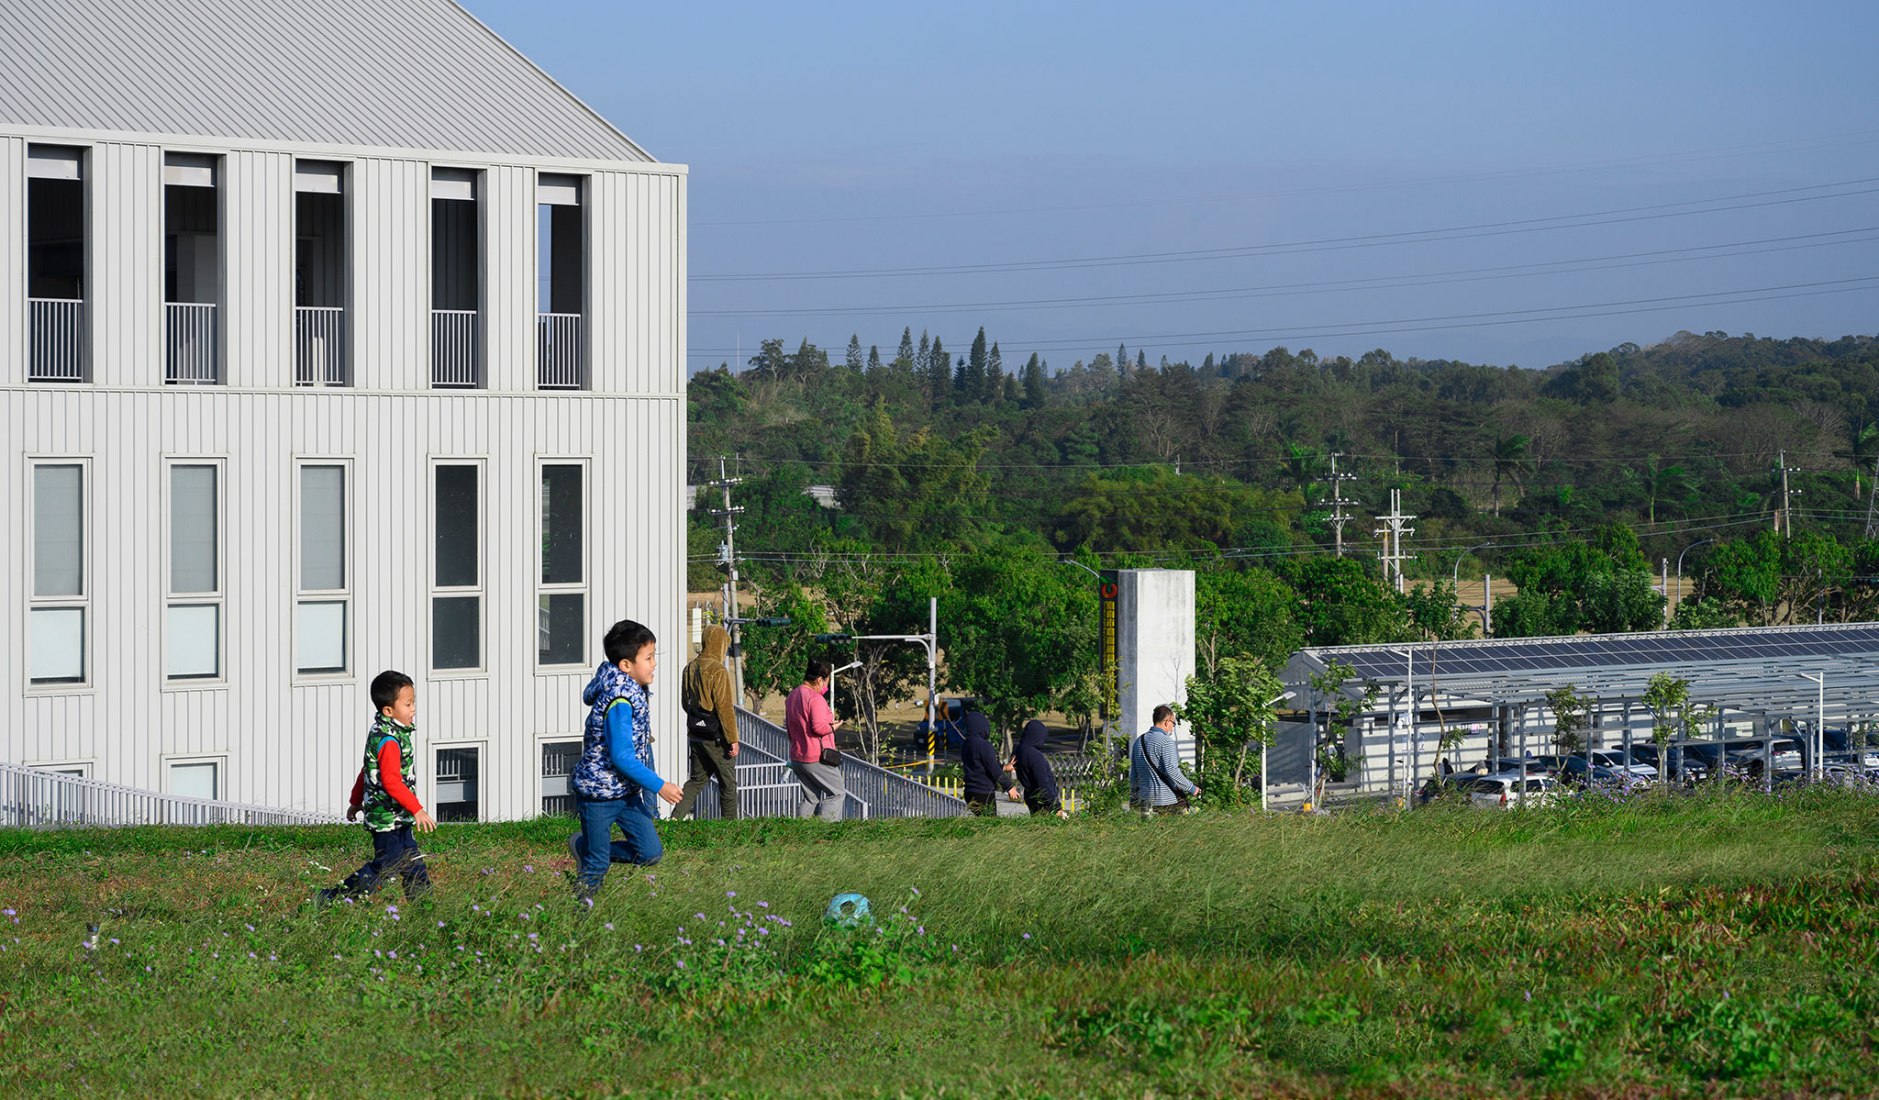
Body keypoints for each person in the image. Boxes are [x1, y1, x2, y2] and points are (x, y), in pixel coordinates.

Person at [568, 619, 682, 900]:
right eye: (649, 657)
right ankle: (579, 920)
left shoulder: (631, 688)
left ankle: (585, 847)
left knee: (650, 853)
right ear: (626, 666)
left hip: (625, 793)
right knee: (597, 865)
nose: (654, 663)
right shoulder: (620, 700)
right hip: (598, 795)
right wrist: (659, 786)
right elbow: (622, 757)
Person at [319, 670, 435, 905]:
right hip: (386, 820)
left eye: (413, 703)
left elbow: (368, 771)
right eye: (408, 704)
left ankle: (424, 908)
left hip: (397, 817)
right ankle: (331, 897)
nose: (413, 709)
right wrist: (417, 809)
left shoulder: (386, 732)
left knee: (413, 862)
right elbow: (391, 782)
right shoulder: (389, 740)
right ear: (389, 711)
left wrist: (354, 800)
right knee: (386, 865)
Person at [672, 623, 740, 820]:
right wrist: (733, 739)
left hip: (695, 734)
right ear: (720, 645)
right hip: (716, 736)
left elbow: (685, 703)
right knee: (728, 784)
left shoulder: (690, 667)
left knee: (696, 781)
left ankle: (675, 819)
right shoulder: (718, 670)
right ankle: (730, 827)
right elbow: (725, 709)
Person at [785, 659, 845, 820]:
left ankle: (803, 831)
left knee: (811, 798)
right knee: (837, 793)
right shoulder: (815, 698)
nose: (825, 686)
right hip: (816, 757)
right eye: (826, 682)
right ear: (819, 680)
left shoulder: (793, 695)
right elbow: (818, 728)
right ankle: (825, 832)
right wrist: (833, 726)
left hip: (798, 756)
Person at [1130, 704, 1201, 816]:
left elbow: (1134, 773)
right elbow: (1172, 771)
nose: (1173, 727)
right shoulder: (1166, 742)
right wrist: (1191, 788)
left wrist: (1133, 797)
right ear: (1167, 722)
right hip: (1166, 801)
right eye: (1173, 723)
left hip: (1145, 800)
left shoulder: (1139, 741)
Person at [961, 709, 1018, 816]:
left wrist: (1005, 767)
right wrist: (1009, 787)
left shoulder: (966, 744)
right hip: (983, 792)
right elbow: (993, 768)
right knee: (990, 825)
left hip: (969, 791)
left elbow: (980, 766)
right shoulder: (984, 745)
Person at [1010, 719, 1066, 817]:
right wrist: (1055, 807)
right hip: (1044, 802)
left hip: (1030, 796)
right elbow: (1043, 782)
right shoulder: (1034, 756)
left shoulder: (1018, 751)